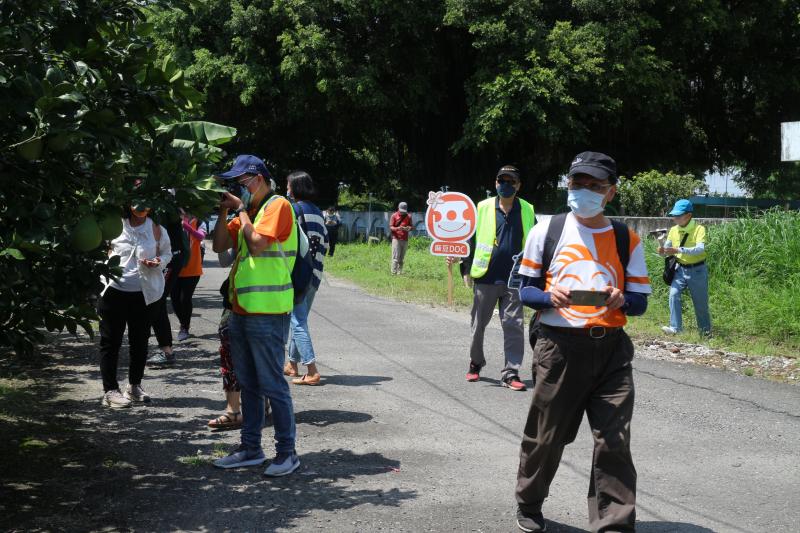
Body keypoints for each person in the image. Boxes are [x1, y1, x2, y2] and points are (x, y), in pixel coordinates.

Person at [513, 152, 651, 533]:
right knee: (547, 435)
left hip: (611, 350)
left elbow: (640, 302)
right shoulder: (547, 230)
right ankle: (529, 502)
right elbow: (525, 291)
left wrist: (622, 299)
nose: (584, 192)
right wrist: (549, 297)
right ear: (568, 185)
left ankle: (614, 523)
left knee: (613, 441)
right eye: (578, 184)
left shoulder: (626, 238)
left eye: (595, 186)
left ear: (611, 193)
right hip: (558, 348)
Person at [210, 154, 300, 477]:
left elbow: (258, 243)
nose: (238, 188)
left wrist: (239, 211)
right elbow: (220, 244)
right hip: (241, 310)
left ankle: (287, 453)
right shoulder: (249, 212)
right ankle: (250, 448)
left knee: (272, 383)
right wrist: (225, 211)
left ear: (257, 179)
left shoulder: (277, 207)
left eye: (241, 182)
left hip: (268, 312)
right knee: (248, 383)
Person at [449, 165, 535, 392]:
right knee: (478, 325)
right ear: (495, 183)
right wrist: (465, 268)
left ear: (519, 185)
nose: (506, 185)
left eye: (511, 181)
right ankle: (476, 363)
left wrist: (535, 275)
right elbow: (469, 238)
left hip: (515, 279)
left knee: (514, 326)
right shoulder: (482, 207)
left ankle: (511, 372)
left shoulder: (527, 209)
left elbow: (535, 243)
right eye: (501, 181)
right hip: (485, 277)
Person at [98, 205, 172, 408]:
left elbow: (167, 253)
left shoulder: (156, 229)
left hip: (145, 294)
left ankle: (134, 386)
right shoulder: (114, 227)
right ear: (128, 205)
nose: (141, 208)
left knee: (139, 342)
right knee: (111, 341)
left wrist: (158, 261)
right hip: (114, 291)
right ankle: (110, 390)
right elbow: (99, 252)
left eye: (146, 203)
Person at [283, 171, 328, 386]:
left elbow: (287, 242)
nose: (287, 189)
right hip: (316, 274)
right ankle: (292, 364)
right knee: (299, 318)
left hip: (299, 273)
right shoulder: (318, 212)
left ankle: (312, 370)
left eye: (289, 185)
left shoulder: (293, 210)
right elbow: (326, 244)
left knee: (297, 321)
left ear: (296, 187)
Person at [659, 199, 711, 336]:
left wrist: (678, 250)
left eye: (678, 215)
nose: (675, 218)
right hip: (680, 269)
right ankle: (676, 328)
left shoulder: (699, 229)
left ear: (688, 215)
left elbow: (700, 249)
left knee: (700, 304)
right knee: (673, 295)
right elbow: (667, 249)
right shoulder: (673, 230)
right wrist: (663, 251)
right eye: (674, 215)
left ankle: (705, 332)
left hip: (698, 270)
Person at [148, 214, 188, 366]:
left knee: (156, 301)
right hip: (163, 258)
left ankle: (167, 352)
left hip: (169, 259)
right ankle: (165, 350)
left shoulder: (163, 202)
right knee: (154, 301)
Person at [171, 211, 205, 341]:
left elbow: (201, 236)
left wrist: (186, 226)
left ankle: (184, 327)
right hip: (175, 267)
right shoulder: (174, 220)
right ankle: (184, 322)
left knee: (185, 299)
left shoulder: (200, 221)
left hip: (193, 269)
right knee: (174, 299)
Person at [389, 202, 412, 274]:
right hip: (396, 238)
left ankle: (399, 272)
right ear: (398, 209)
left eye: (403, 211)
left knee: (402, 258)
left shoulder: (409, 216)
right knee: (395, 257)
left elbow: (411, 226)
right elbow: (391, 227)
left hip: (405, 239)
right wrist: (398, 228)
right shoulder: (394, 216)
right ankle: (393, 272)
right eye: (401, 211)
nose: (402, 213)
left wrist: (409, 228)